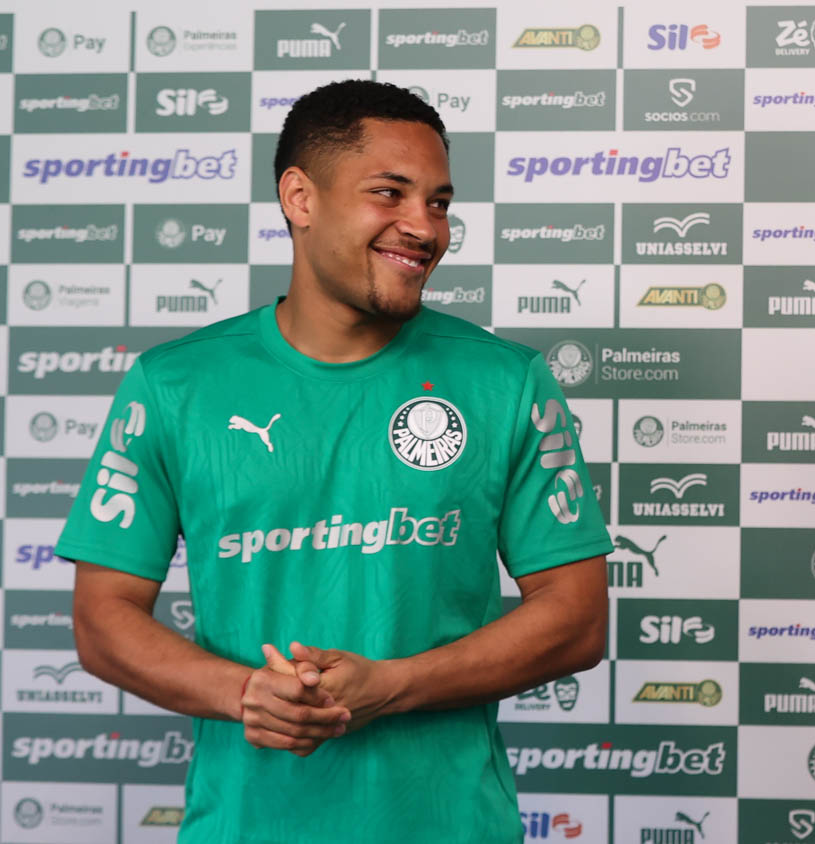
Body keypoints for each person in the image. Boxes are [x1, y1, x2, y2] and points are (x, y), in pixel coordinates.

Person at [59, 80, 612, 844]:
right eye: (391, 193)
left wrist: (395, 685)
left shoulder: (508, 382)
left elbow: (577, 618)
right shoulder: (173, 385)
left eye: (440, 203)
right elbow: (102, 618)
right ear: (300, 197)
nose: (424, 227)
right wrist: (246, 693)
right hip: (244, 827)